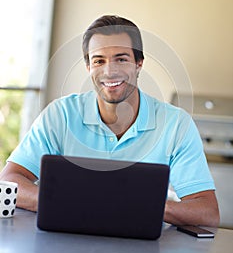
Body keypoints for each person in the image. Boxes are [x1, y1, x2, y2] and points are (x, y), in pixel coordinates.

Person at [0, 15, 219, 226]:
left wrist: (144, 206)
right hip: (65, 243)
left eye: (121, 59)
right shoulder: (60, 115)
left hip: (145, 251)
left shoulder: (177, 125)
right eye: (99, 61)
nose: (109, 71)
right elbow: (10, 180)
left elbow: (207, 212)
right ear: (89, 67)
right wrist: (68, 203)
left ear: (139, 64)